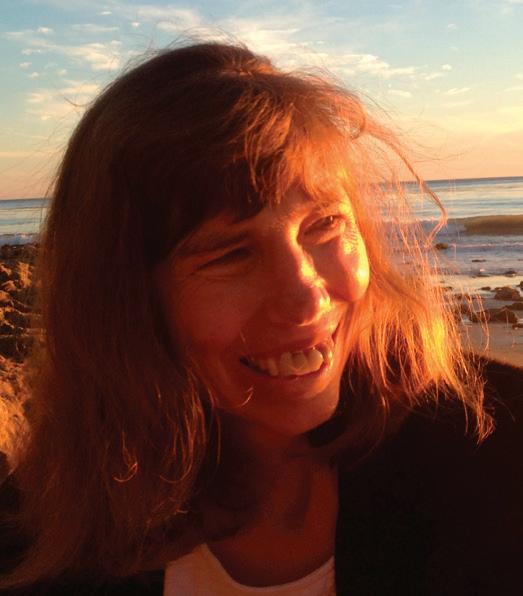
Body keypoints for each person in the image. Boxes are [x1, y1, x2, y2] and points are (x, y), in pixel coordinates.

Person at [0, 41, 522, 595]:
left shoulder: (498, 455)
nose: (307, 297)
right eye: (230, 254)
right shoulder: (44, 537)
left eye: (324, 225)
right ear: (123, 300)